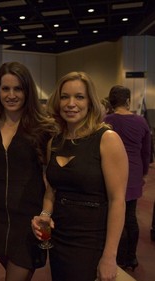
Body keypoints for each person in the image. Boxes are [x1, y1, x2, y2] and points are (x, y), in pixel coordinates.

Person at [32, 72, 128, 281]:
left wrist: (110, 256)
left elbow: (118, 201)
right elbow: (51, 190)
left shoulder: (107, 139)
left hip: (92, 239)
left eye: (79, 97)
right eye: (65, 97)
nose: (71, 103)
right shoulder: (54, 142)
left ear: (90, 101)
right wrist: (45, 215)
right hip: (59, 238)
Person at [0, 62, 57, 281]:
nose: (11, 95)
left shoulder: (44, 128)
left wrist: (46, 213)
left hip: (30, 220)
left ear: (28, 91)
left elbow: (54, 180)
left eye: (18, 89)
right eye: (5, 89)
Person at [104, 85, 151, 270]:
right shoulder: (141, 122)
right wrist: (143, 173)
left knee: (114, 217)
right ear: (128, 101)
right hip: (134, 173)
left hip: (112, 173)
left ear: (111, 101)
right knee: (130, 217)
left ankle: (118, 257)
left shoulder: (107, 121)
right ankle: (131, 257)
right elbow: (146, 152)